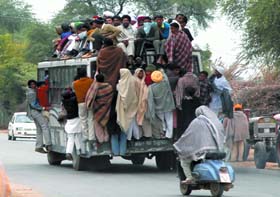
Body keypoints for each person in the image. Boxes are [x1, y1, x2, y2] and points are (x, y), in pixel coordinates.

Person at [174, 106, 225, 184]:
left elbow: (188, 135)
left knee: (184, 162)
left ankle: (190, 178)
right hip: (218, 150)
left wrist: (178, 145)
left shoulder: (197, 122)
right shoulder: (216, 122)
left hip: (203, 152)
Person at [85, 74, 113, 143]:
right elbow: (110, 96)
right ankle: (106, 138)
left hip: (98, 109)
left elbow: (91, 97)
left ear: (96, 80)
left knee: (98, 124)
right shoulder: (109, 86)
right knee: (105, 123)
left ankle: (101, 140)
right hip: (107, 108)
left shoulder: (95, 87)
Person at [147, 70, 175, 138]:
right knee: (169, 120)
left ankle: (163, 133)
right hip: (168, 106)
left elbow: (150, 100)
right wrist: (162, 73)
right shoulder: (165, 84)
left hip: (158, 107)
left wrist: (151, 109)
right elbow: (165, 77)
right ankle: (169, 135)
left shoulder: (151, 87)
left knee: (161, 121)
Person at [26, 80, 52, 153]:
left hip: (33, 112)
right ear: (29, 85)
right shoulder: (31, 93)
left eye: (34, 84)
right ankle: (48, 144)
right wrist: (43, 108)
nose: (33, 85)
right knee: (44, 126)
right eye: (31, 84)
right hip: (35, 111)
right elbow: (33, 104)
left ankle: (39, 146)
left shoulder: (32, 91)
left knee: (39, 129)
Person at [73, 68, 94, 141]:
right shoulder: (91, 81)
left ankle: (86, 136)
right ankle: (92, 137)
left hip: (81, 103)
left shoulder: (75, 83)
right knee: (91, 119)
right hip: (90, 102)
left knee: (83, 119)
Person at [61, 88, 82, 160]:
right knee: (78, 135)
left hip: (69, 121)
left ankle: (68, 152)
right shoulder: (73, 100)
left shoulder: (64, 101)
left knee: (71, 137)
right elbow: (76, 95)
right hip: (76, 119)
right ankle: (79, 149)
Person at [134, 68, 150, 137]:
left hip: (144, 103)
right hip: (136, 103)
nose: (140, 74)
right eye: (139, 73)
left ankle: (147, 135)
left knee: (145, 119)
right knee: (137, 120)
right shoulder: (134, 81)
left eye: (141, 73)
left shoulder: (145, 81)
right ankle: (139, 135)